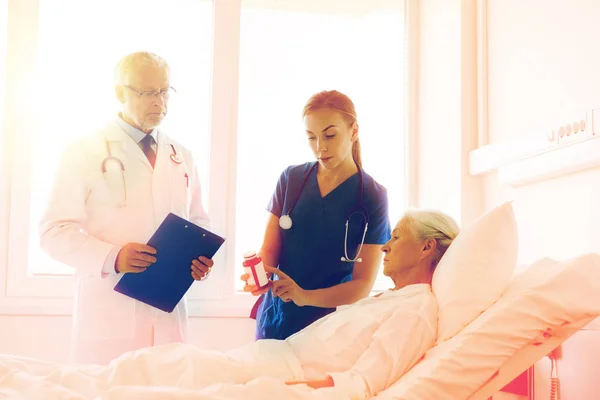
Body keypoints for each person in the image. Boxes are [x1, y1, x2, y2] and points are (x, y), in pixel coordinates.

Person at [2, 210, 459, 400]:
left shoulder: (416, 310)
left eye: (396, 238)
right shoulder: (392, 300)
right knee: (141, 369)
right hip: (261, 362)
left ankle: (20, 385)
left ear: (426, 249)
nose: (383, 247)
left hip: (276, 379)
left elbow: (364, 382)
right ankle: (16, 375)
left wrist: (298, 390)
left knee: (140, 382)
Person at [38, 51, 215, 365]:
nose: (158, 101)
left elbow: (198, 222)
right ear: (119, 93)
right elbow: (53, 232)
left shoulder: (181, 155)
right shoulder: (84, 151)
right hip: (109, 307)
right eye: (146, 92)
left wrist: (200, 261)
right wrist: (113, 257)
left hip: (167, 310)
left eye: (164, 91)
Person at [242, 90, 392, 340]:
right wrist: (259, 276)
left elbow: (362, 285)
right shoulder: (291, 179)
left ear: (354, 131)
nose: (320, 147)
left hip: (330, 326)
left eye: (330, 135)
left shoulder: (373, 197)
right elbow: (269, 251)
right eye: (311, 137)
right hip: (277, 318)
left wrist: (305, 296)